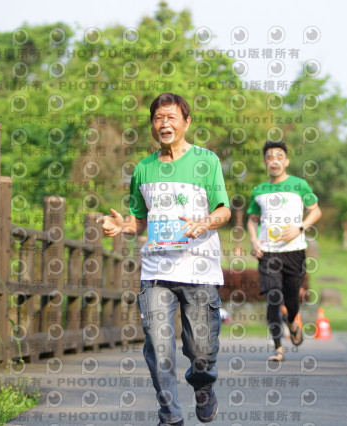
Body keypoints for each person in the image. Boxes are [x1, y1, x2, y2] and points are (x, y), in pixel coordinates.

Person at [98, 93, 231, 426]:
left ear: (186, 122)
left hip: (199, 269)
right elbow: (139, 218)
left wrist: (206, 222)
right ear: (152, 124)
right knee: (158, 348)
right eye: (159, 118)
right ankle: (170, 415)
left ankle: (203, 384)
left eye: (172, 117)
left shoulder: (207, 161)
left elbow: (224, 210)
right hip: (156, 271)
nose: (165, 124)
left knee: (201, 350)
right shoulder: (143, 168)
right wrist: (122, 226)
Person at [246, 140, 322, 362]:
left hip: (294, 251)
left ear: (286, 161)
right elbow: (252, 220)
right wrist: (254, 241)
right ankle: (278, 348)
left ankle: (291, 321)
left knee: (291, 300)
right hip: (268, 252)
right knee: (273, 297)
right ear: (265, 162)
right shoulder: (258, 190)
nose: (274, 161)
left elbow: (316, 211)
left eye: (279, 157)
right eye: (270, 157)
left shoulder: (300, 185)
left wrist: (300, 228)